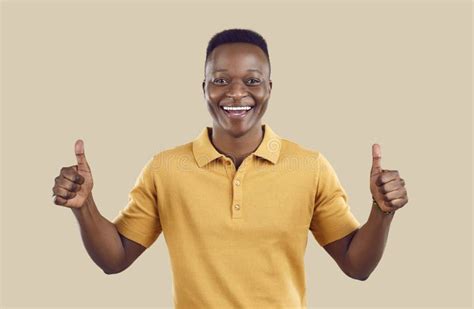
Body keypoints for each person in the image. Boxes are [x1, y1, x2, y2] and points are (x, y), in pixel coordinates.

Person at [52, 28, 408, 308]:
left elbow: (356, 266)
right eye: (221, 80)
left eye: (252, 80)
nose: (237, 93)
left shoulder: (309, 166)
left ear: (269, 88)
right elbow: (115, 259)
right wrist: (85, 207)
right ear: (204, 87)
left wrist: (382, 211)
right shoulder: (166, 168)